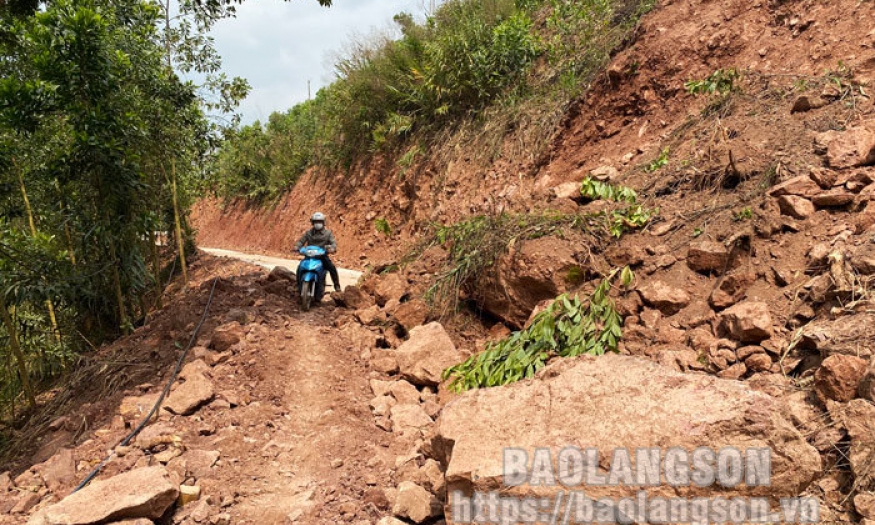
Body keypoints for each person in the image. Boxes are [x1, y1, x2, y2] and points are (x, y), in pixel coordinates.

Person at [294, 212, 341, 292]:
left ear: (323, 222)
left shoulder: (328, 233)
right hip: (309, 257)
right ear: (312, 223)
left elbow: (333, 243)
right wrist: (297, 247)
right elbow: (301, 241)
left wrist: (332, 248)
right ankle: (298, 286)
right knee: (299, 268)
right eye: (316, 222)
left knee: (332, 268)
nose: (318, 223)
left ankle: (337, 286)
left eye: (319, 221)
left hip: (322, 257)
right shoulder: (308, 233)